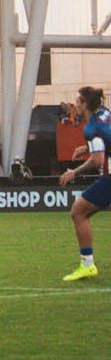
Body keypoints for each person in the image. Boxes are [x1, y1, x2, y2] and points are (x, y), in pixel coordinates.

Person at [59, 85, 111, 281]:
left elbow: (98, 160)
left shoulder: (91, 129)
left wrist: (74, 172)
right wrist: (87, 147)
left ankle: (87, 265)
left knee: (78, 211)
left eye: (77, 101)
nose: (74, 105)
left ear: (84, 105)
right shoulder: (104, 113)